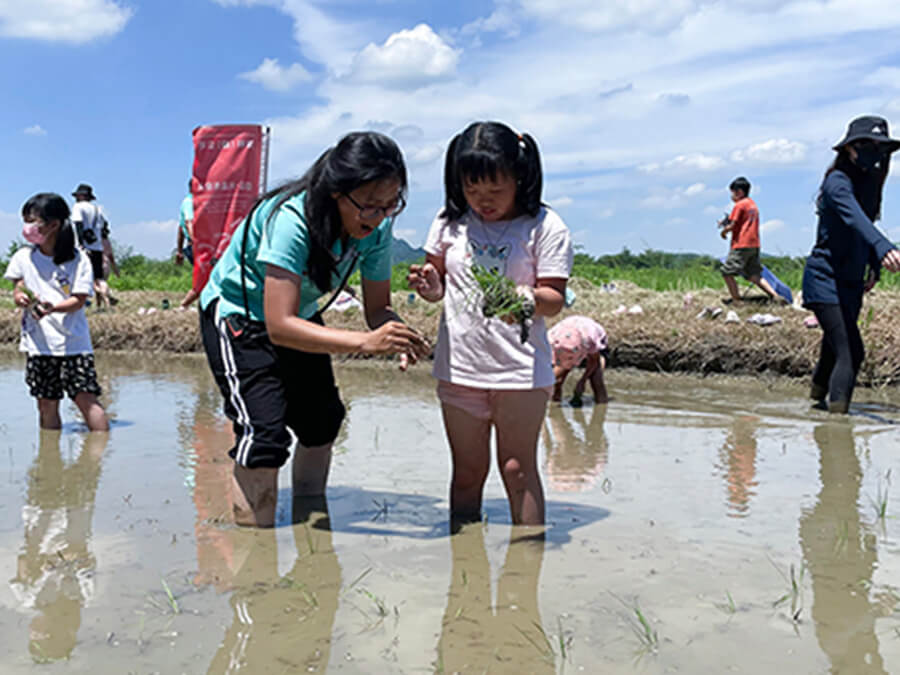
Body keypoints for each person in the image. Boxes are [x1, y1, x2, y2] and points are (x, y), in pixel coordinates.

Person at [198, 131, 429, 528]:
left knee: (322, 420)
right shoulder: (290, 219)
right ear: (337, 193)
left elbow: (378, 309)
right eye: (369, 206)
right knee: (264, 434)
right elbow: (279, 325)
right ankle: (256, 564)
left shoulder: (377, 229)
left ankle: (311, 523)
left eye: (390, 206)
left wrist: (396, 334)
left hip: (296, 316)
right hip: (240, 314)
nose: (378, 218)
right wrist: (364, 343)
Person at [408, 121, 573, 526]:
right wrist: (428, 285)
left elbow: (553, 299)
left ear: (519, 177)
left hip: (520, 371)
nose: (483, 201)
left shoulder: (544, 226)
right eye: (473, 190)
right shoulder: (449, 221)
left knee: (517, 469)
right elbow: (437, 286)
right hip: (460, 368)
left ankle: (525, 571)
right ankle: (465, 572)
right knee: (466, 474)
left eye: (495, 190)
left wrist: (523, 299)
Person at [802, 115, 900, 413]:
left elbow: (865, 222)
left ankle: (815, 403)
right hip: (824, 278)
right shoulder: (837, 183)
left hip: (851, 279)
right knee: (851, 351)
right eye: (866, 145)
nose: (875, 152)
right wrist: (884, 246)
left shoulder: (869, 184)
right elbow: (853, 217)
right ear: (849, 149)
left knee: (833, 347)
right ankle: (836, 426)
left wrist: (874, 264)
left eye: (880, 147)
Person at [4, 193, 109, 431]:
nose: (27, 227)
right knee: (46, 404)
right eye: (26, 221)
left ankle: (99, 456)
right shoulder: (23, 257)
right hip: (38, 344)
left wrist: (52, 308)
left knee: (86, 399)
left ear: (53, 225)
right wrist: (20, 297)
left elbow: (79, 299)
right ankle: (50, 461)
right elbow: (19, 287)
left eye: (33, 221)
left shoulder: (77, 259)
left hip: (73, 342)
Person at [719, 176, 779, 303]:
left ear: (739, 192)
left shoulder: (739, 205)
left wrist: (724, 232)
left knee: (727, 272)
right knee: (754, 275)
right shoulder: (752, 205)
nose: (732, 196)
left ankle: (736, 300)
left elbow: (733, 225)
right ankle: (775, 296)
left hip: (741, 244)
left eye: (733, 193)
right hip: (754, 244)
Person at [548, 315, 609, 406]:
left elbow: (594, 362)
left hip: (590, 335)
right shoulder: (551, 339)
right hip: (565, 334)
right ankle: (554, 406)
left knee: (596, 379)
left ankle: (601, 405)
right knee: (556, 380)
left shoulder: (590, 341)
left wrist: (583, 381)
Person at [175, 189, 200, 309]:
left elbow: (180, 229)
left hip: (197, 245)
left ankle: (186, 305)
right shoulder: (189, 202)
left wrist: (179, 251)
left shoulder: (199, 203)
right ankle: (184, 305)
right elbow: (189, 222)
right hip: (196, 246)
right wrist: (197, 243)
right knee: (205, 279)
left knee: (206, 279)